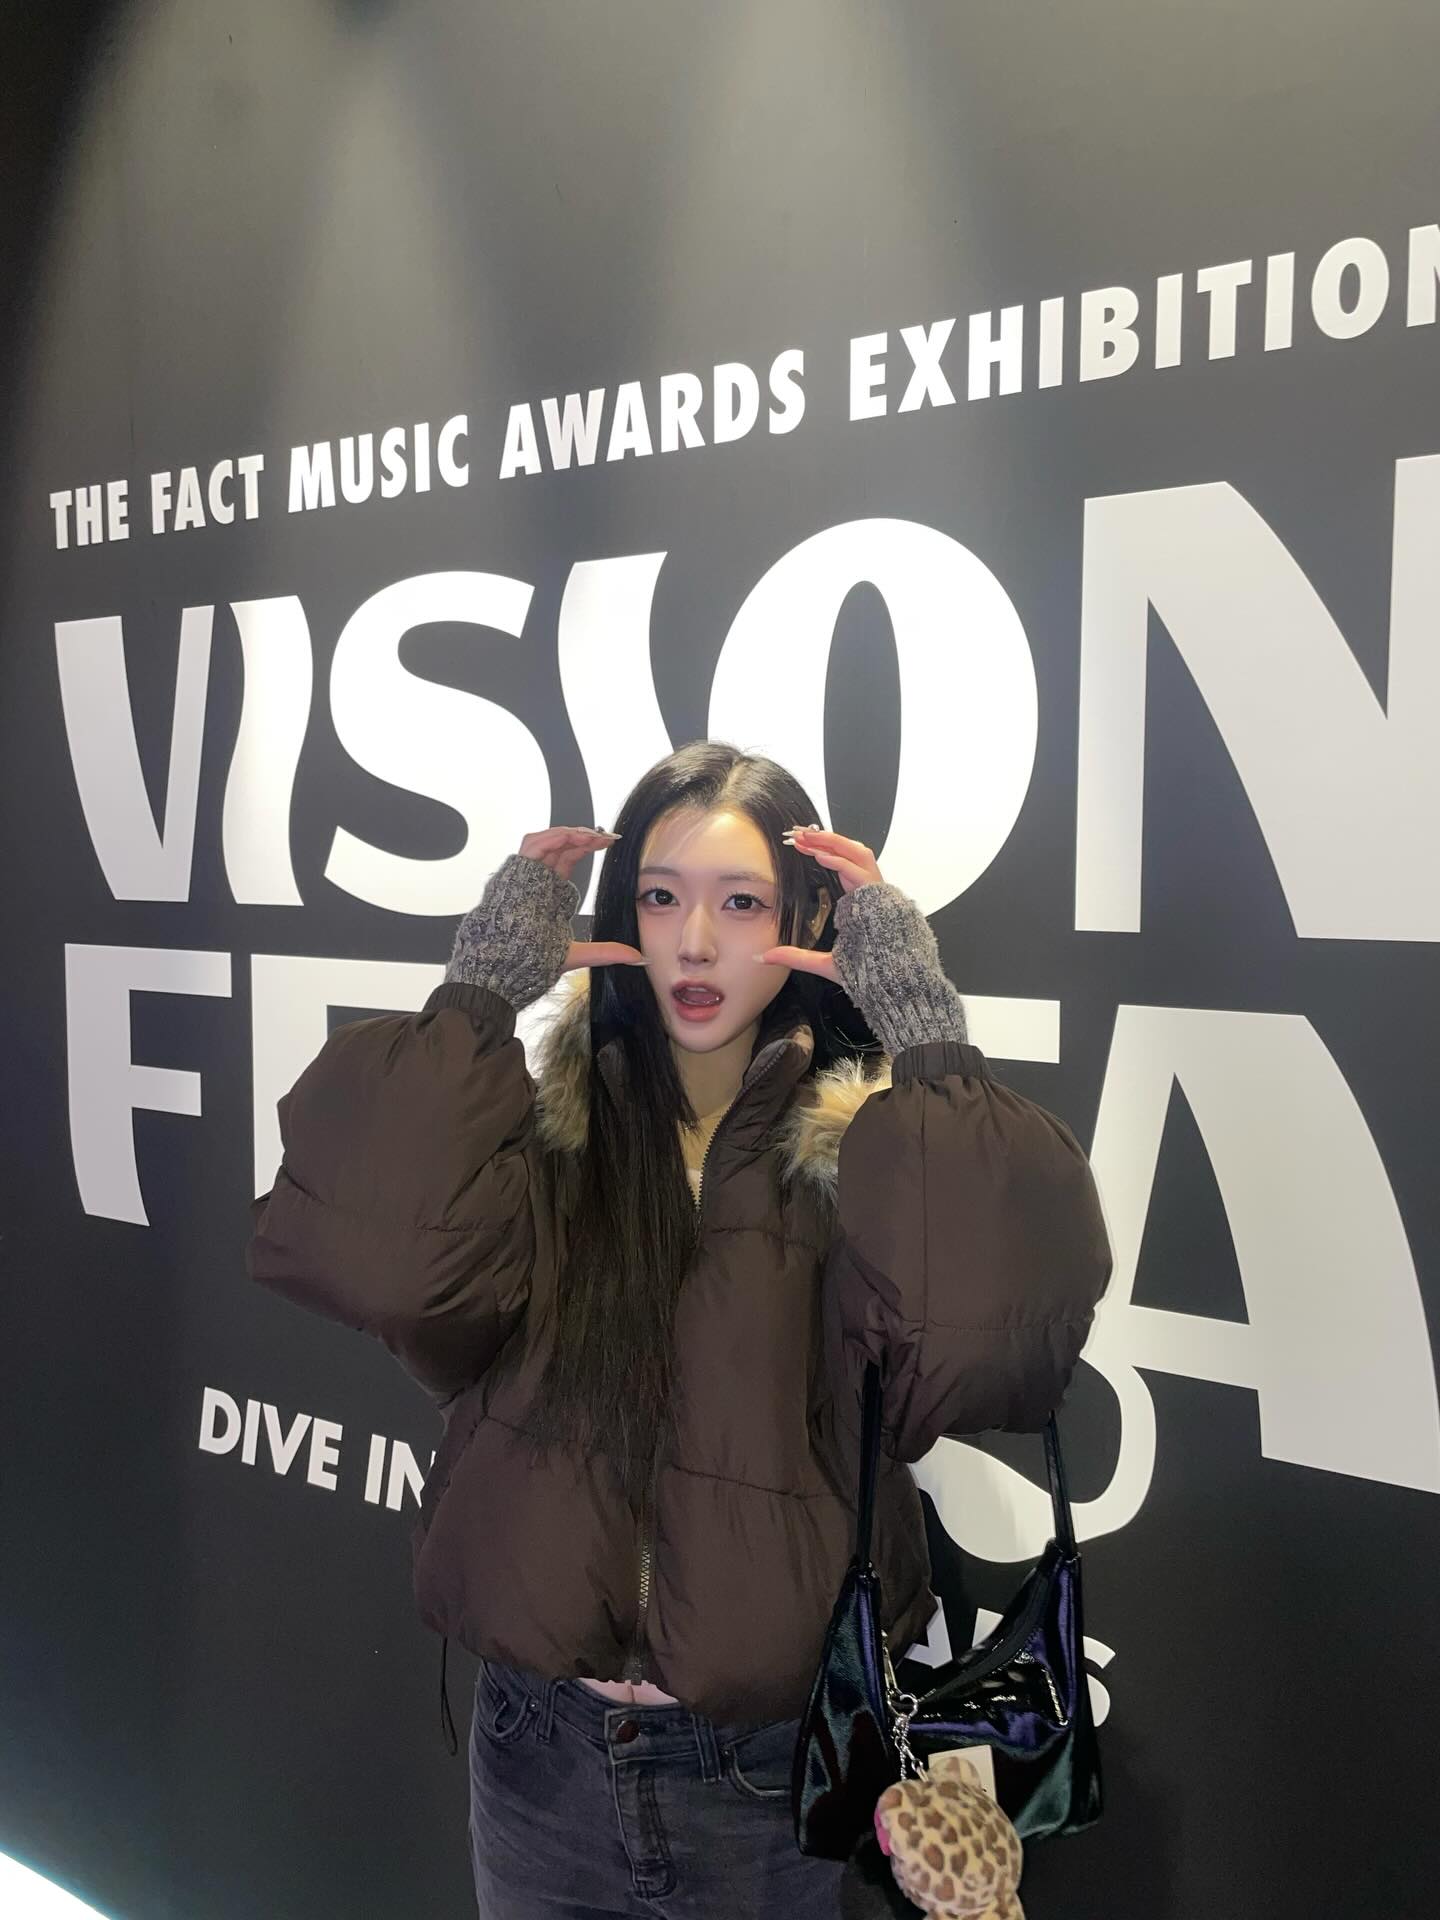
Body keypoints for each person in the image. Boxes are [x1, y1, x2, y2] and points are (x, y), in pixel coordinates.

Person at [248, 741, 1112, 1919]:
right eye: (661, 897)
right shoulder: (543, 1133)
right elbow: (383, 1264)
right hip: (539, 1753)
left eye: (741, 903)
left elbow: (986, 1344)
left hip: (765, 1773)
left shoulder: (867, 1156)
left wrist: (925, 1037)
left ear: (811, 918)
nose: (695, 943)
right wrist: (478, 997)